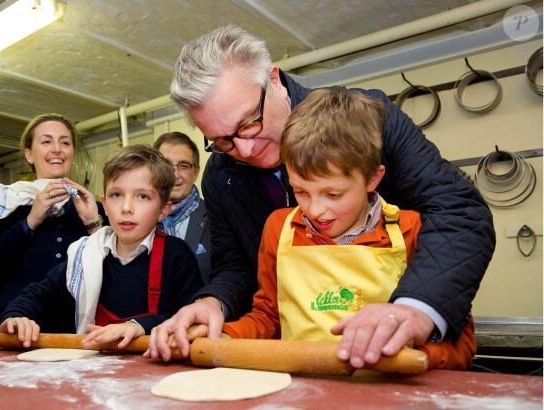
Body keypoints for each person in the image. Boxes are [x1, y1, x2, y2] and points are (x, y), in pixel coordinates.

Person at [145, 26, 495, 368]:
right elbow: (237, 268)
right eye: (222, 140)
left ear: (275, 80)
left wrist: (416, 307)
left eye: (249, 122)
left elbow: (458, 211)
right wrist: (212, 302)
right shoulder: (221, 176)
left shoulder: (369, 119)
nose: (245, 148)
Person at [219, 89, 477, 370]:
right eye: (300, 191)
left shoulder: (411, 230)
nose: (315, 210)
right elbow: (269, 317)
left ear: (372, 178)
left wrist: (403, 354)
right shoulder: (279, 228)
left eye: (332, 194)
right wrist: (223, 336)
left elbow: (461, 346)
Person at [0, 144, 204, 348]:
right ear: (104, 205)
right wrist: (17, 316)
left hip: (153, 369)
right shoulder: (86, 254)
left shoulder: (176, 255)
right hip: (94, 369)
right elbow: (37, 295)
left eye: (143, 196)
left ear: (163, 210)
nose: (126, 208)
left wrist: (140, 326)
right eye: (116, 195)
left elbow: (191, 319)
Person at [0, 114, 107, 332]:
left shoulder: (92, 208)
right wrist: (31, 220)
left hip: (80, 333)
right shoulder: (5, 203)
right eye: (46, 141)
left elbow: (117, 271)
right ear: (29, 155)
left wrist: (92, 224)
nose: (57, 149)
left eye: (65, 142)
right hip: (17, 328)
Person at [153, 132, 211, 284]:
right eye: (166, 165)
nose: (174, 174)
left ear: (196, 173)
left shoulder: (216, 218)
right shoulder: (141, 216)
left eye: (184, 166)